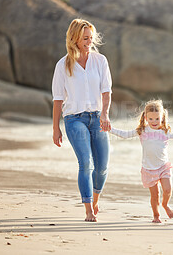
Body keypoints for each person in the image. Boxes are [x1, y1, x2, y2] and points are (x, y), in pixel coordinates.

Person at [52, 18, 112, 222]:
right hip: (73, 119)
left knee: (102, 167)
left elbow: (106, 91)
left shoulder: (100, 61)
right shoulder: (63, 65)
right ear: (75, 39)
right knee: (86, 163)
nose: (89, 41)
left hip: (97, 118)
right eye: (85, 38)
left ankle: (95, 200)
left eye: (90, 38)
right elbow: (58, 99)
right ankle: (88, 209)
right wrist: (56, 128)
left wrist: (104, 114)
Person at [109, 100, 173, 223]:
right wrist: (110, 129)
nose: (154, 122)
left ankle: (165, 204)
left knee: (167, 189)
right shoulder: (143, 130)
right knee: (155, 195)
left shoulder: (165, 131)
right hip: (148, 169)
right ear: (146, 118)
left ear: (162, 117)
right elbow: (124, 134)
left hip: (163, 166)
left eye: (157, 119)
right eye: (151, 119)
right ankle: (156, 215)